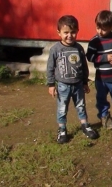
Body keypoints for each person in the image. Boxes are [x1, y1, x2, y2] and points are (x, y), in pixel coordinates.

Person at [46, 15, 99, 143]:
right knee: (62, 108)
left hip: (78, 85)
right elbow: (50, 67)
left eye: (73, 32)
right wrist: (51, 84)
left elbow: (84, 66)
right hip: (63, 86)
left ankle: (85, 125)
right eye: (66, 33)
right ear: (59, 33)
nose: (70, 35)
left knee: (81, 106)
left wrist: (85, 82)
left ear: (77, 31)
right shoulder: (55, 50)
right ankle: (62, 129)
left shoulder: (79, 48)